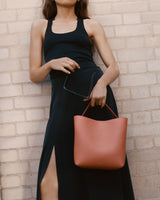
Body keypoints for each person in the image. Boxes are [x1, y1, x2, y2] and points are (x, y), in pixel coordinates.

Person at [29, 0, 135, 199]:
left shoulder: (91, 25)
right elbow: (34, 75)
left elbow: (114, 68)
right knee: (50, 179)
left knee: (101, 169)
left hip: (95, 100)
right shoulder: (40, 26)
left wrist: (102, 85)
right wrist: (51, 64)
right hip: (62, 103)